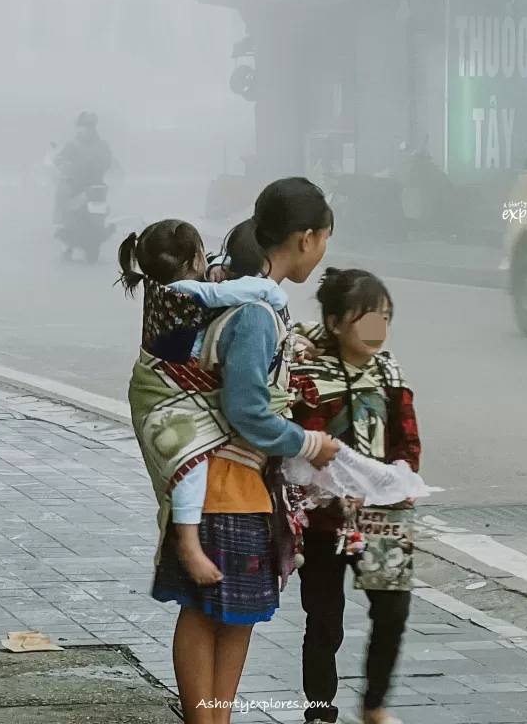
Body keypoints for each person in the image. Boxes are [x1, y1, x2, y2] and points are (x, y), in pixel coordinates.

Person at [134, 178, 339, 724]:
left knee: (235, 616)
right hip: (226, 484)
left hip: (240, 488)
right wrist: (308, 443)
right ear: (306, 238)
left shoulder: (257, 305)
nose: (322, 253)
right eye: (323, 241)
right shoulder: (254, 314)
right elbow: (249, 410)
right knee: (208, 615)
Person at [118, 218, 289, 586]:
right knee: (190, 466)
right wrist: (269, 291)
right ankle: (189, 543)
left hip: (175, 390)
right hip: (167, 395)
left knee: (190, 466)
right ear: (196, 255)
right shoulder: (184, 291)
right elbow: (228, 294)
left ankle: (195, 539)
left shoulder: (162, 285)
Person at [291, 268, 421, 724]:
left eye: (384, 317)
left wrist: (398, 482)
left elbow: (407, 440)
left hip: (383, 518)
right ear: (334, 323)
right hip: (324, 520)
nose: (377, 330)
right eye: (365, 318)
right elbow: (299, 450)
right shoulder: (307, 375)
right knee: (325, 622)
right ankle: (320, 712)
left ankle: (374, 706)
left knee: (393, 613)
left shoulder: (390, 372)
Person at [53, 111, 113, 226]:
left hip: (81, 185)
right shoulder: (101, 144)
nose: (85, 129)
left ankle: (60, 221)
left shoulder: (73, 144)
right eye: (85, 126)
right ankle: (64, 220)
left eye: (87, 126)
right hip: (94, 185)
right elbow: (108, 162)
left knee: (61, 191)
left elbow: (58, 160)